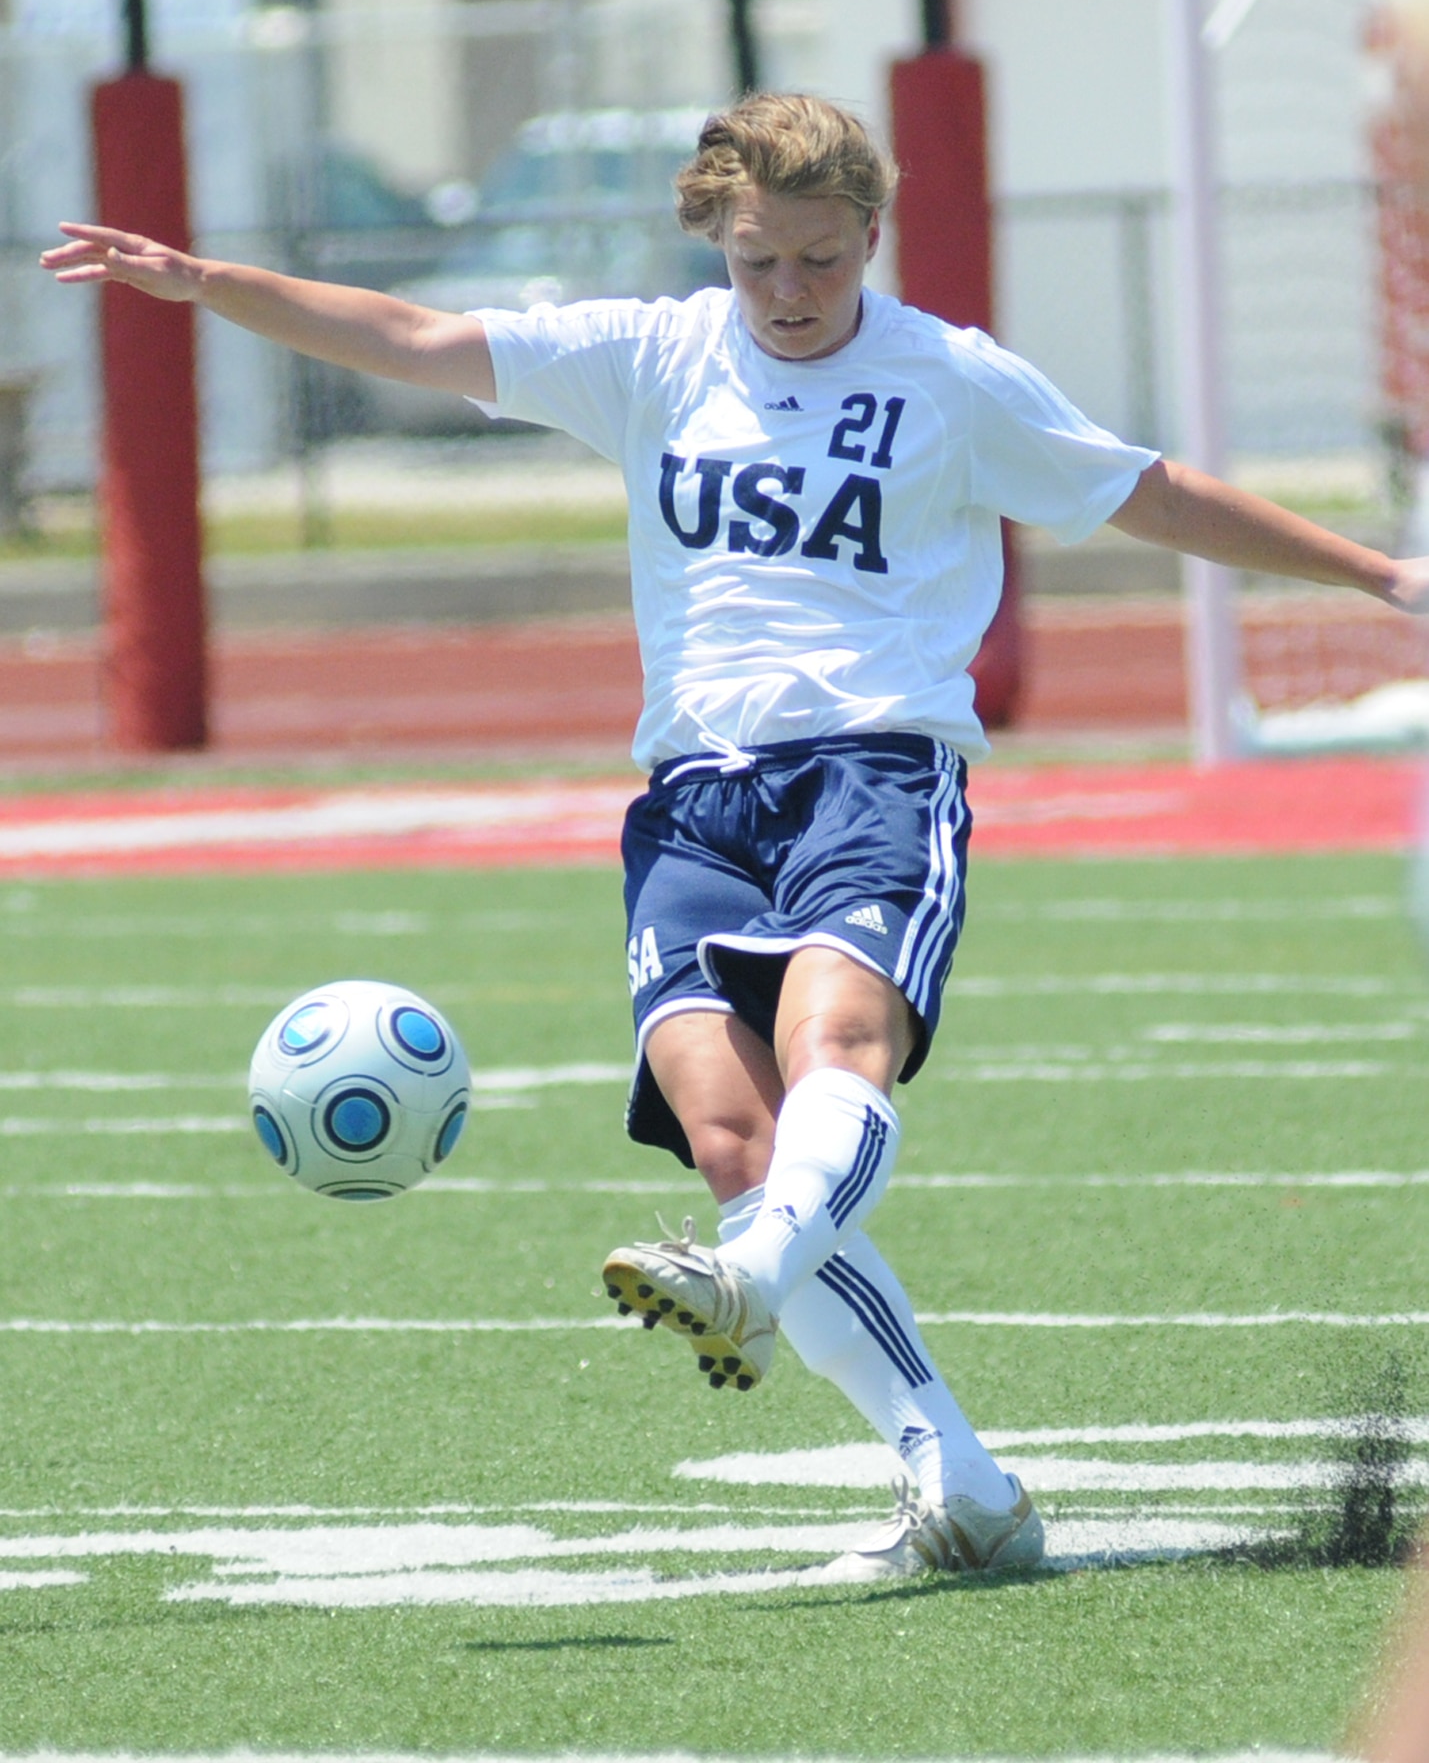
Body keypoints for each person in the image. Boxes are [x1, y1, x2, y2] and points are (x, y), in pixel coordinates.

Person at [42, 92, 1429, 1583]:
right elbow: (409, 336)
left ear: (870, 239)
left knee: (843, 1049)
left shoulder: (949, 380)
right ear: (717, 235)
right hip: (694, 796)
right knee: (727, 1137)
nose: (788, 294)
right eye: (759, 261)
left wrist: (1377, 577)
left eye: (822, 263)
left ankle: (753, 1280)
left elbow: (1143, 491)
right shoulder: (653, 355)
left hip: (876, 771)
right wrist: (205, 286)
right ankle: (958, 1485)